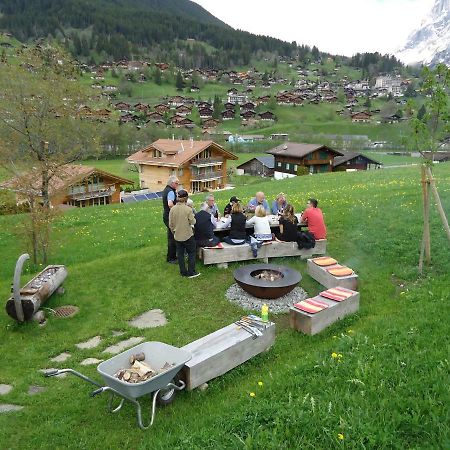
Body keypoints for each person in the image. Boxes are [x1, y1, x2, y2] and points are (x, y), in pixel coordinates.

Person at [169, 190, 200, 278]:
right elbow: (193, 221)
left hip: (177, 235)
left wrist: (174, 232)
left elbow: (171, 224)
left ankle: (183, 272)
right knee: (191, 253)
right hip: (187, 235)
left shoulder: (172, 209)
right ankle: (191, 272)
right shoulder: (188, 209)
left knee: (180, 254)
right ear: (186, 198)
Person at [162, 175, 179, 264]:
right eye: (176, 183)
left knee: (170, 236)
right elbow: (170, 204)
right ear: (172, 183)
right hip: (170, 217)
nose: (177, 185)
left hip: (166, 216)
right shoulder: (171, 192)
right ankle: (172, 258)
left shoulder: (166, 190)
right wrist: (176, 210)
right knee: (173, 238)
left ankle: (171, 256)